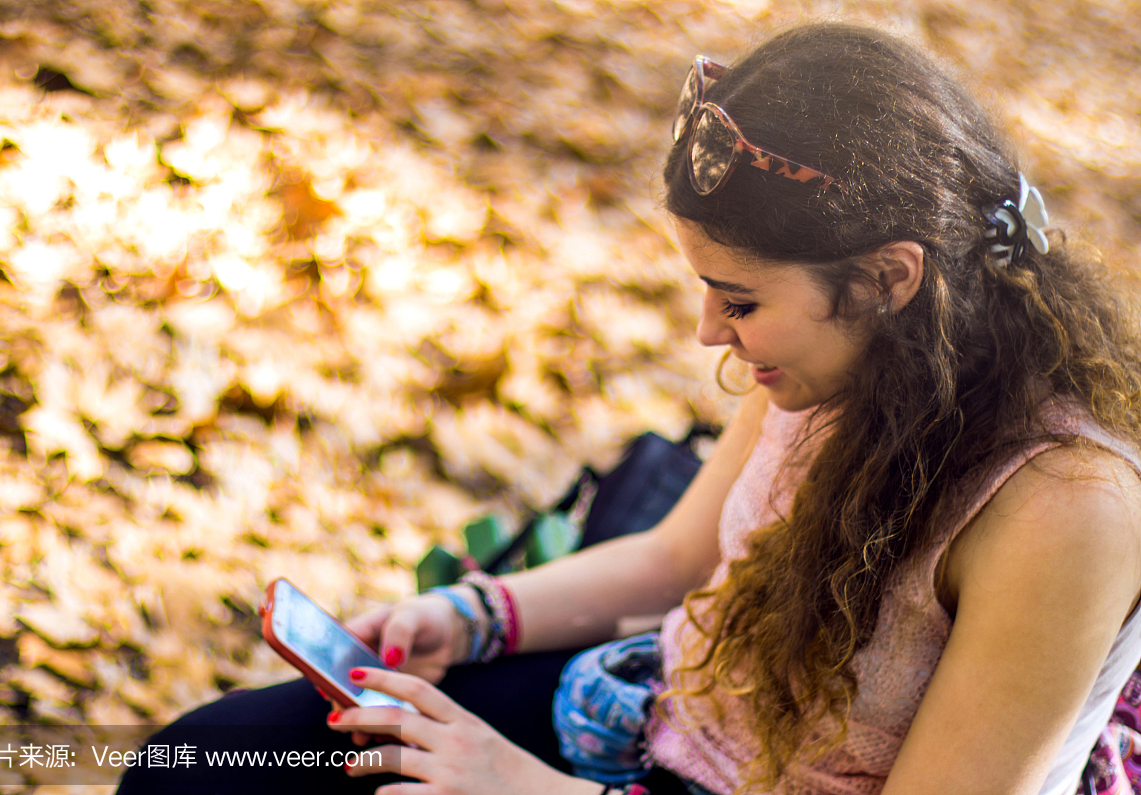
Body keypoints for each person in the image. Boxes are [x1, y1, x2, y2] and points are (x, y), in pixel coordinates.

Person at [116, 22, 1141, 795]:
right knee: (203, 764)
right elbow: (675, 561)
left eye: (739, 300)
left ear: (890, 276)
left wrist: (522, 785)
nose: (706, 331)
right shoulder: (850, 364)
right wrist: (467, 621)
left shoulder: (1069, 513)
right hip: (638, 722)